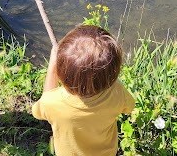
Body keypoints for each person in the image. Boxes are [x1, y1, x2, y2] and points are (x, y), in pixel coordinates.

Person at [32, 24, 135, 156]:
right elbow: (129, 107)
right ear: (113, 74)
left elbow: (38, 112)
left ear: (62, 73)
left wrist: (52, 68)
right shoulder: (117, 91)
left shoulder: (52, 102)